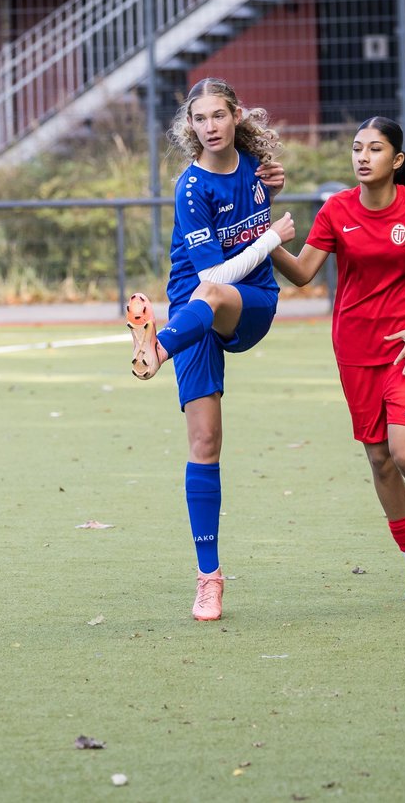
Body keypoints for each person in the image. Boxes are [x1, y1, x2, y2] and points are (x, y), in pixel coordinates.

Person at [268, 116, 405, 603]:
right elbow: (301, 274)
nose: (363, 157)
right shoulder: (336, 209)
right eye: (357, 148)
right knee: (381, 461)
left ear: (397, 160)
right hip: (354, 351)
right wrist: (263, 237)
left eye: (375, 149)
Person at [124, 77, 295, 621]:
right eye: (199, 119)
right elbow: (209, 276)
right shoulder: (191, 186)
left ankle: (156, 346)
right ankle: (209, 579)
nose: (210, 127)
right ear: (190, 126)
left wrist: (271, 213)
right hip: (195, 303)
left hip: (252, 304)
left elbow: (234, 274)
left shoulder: (256, 170)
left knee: (217, 295)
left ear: (236, 115)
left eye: (218, 115)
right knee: (205, 441)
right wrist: (272, 237)